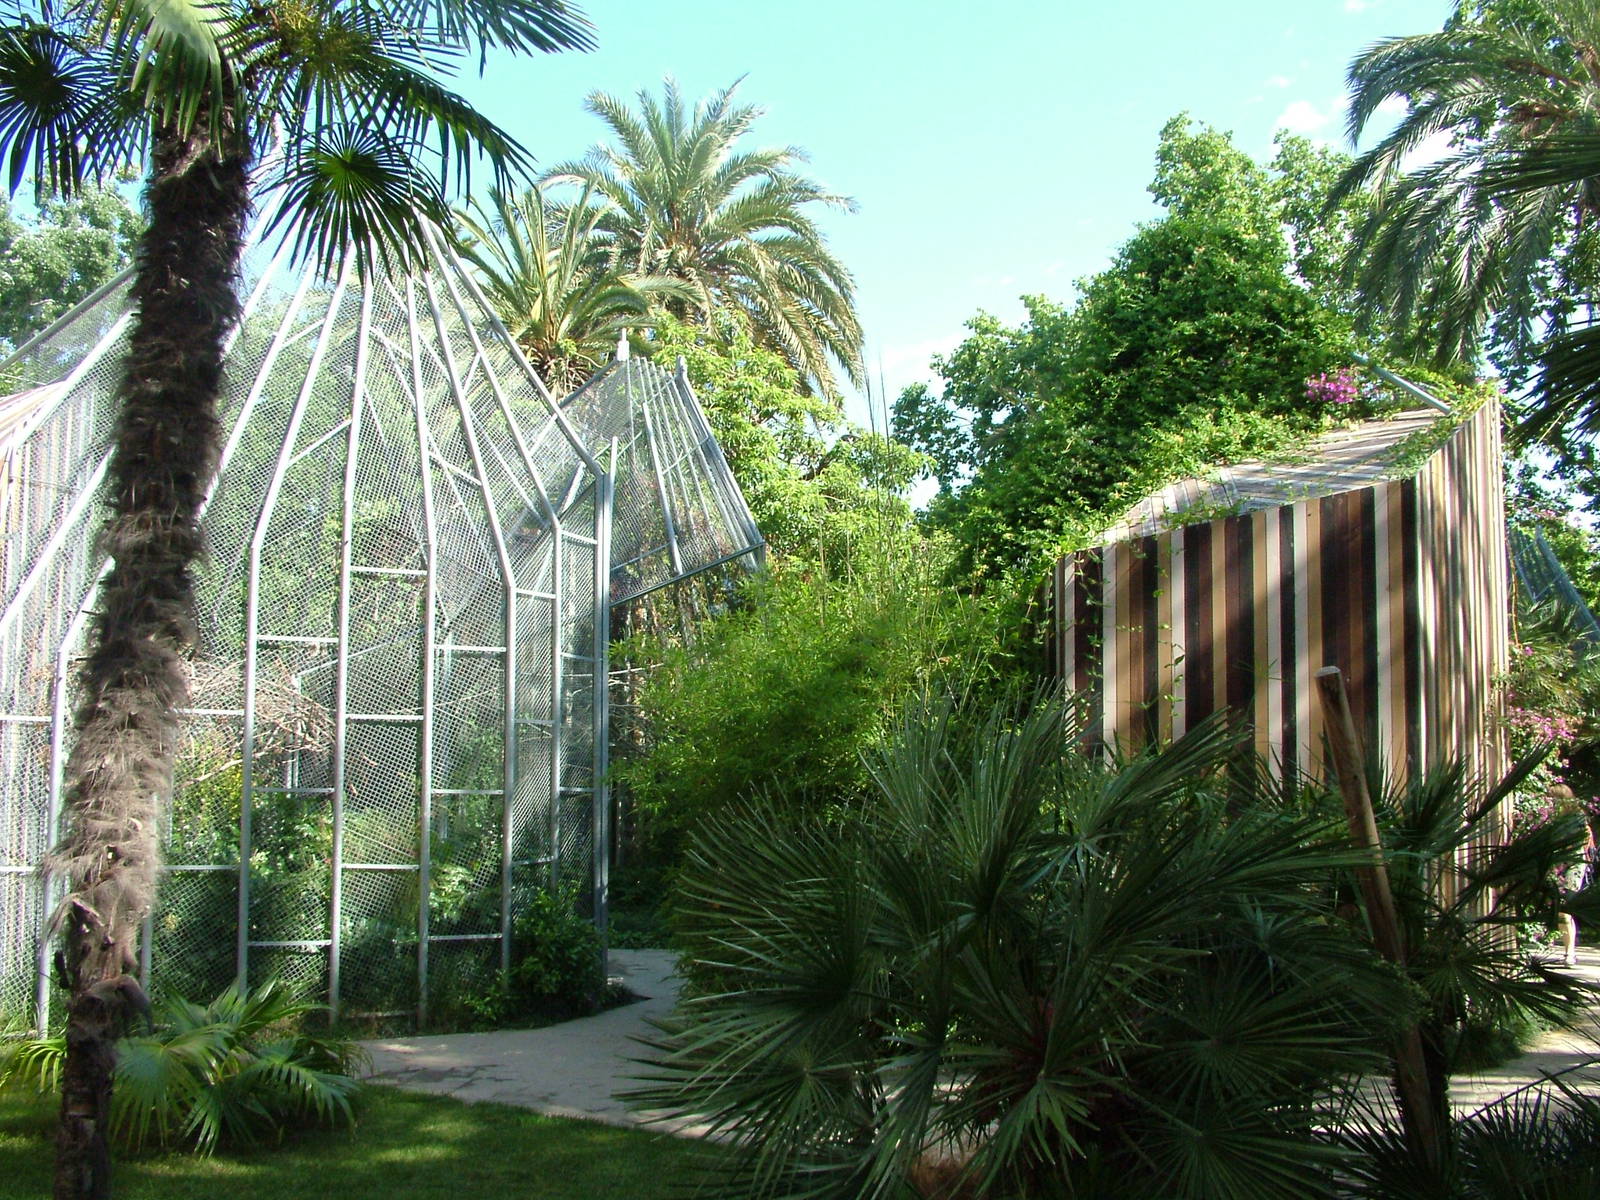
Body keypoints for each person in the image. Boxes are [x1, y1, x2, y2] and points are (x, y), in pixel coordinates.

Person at [1559, 821, 1597, 968]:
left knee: (1564, 910)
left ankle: (1569, 953)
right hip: (1557, 868)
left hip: (1574, 869)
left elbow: (1585, 847)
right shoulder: (1557, 820)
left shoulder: (1578, 822)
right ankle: (1569, 951)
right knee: (1561, 912)